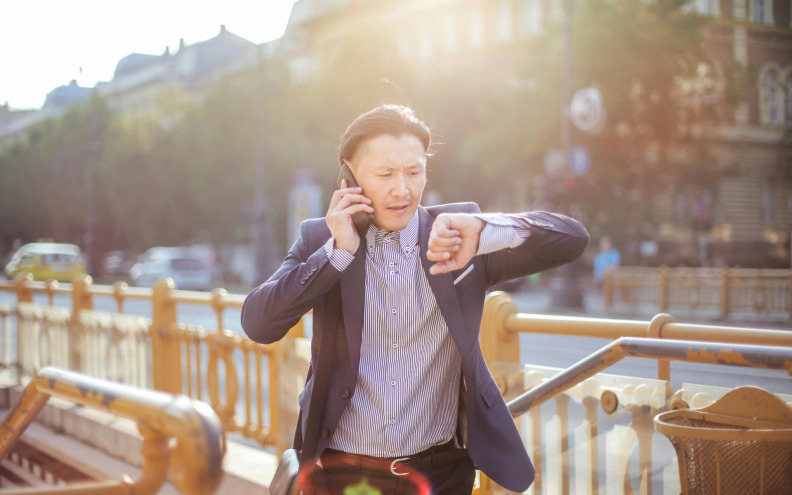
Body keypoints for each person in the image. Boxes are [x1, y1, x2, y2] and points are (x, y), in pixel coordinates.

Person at [242, 104, 589, 494]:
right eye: (385, 174)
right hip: (341, 475)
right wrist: (336, 254)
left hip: (438, 475)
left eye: (414, 171)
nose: (402, 190)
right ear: (349, 175)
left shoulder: (458, 234)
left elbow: (572, 239)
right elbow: (259, 324)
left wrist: (487, 229)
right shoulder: (319, 239)